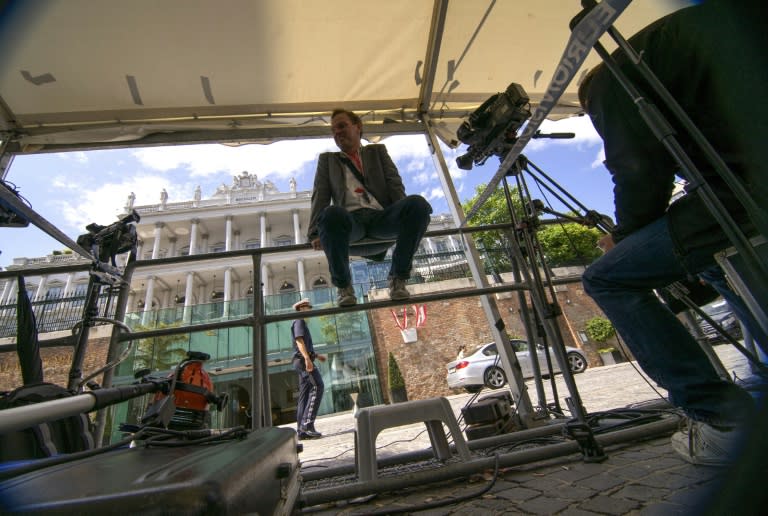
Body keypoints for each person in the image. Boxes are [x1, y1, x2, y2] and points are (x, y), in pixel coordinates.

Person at [578, 0, 766, 468]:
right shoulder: (665, 51)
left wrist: (625, 238)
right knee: (709, 251)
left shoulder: (608, 82)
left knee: (608, 278)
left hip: (743, 192)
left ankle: (721, 419)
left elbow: (639, 169)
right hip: (742, 181)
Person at [308, 109, 433, 306]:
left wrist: (406, 218)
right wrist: (315, 232)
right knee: (331, 213)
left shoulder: (377, 151)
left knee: (419, 204)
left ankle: (398, 278)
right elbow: (320, 194)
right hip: (350, 224)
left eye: (342, 126)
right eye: (333, 130)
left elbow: (395, 184)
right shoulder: (328, 160)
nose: (337, 133)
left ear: (358, 127)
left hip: (381, 221)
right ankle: (344, 286)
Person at [291, 298, 326, 439]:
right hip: (303, 361)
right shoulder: (299, 321)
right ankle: (307, 425)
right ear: (301, 308)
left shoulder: (301, 322)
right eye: (308, 308)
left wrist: (316, 356)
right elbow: (299, 340)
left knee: (304, 396)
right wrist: (307, 359)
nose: (310, 311)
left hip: (301, 361)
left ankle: (301, 431)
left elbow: (303, 343)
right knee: (318, 386)